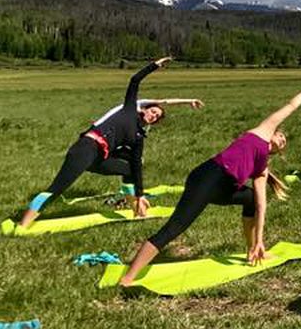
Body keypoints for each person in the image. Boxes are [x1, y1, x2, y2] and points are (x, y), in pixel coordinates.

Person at [119, 83, 301, 286]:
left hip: (222, 189)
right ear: (273, 132)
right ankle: (128, 278)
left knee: (251, 199)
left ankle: (251, 249)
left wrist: (260, 241)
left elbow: (262, 207)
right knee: (174, 228)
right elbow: (291, 106)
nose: (282, 140)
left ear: (278, 152)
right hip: (207, 178)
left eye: (284, 143)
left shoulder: (261, 170)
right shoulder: (261, 132)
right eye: (281, 135)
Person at [19, 57, 188, 230]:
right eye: (153, 111)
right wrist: (155, 65)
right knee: (58, 188)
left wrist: (140, 194)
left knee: (130, 169)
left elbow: (136, 165)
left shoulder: (139, 137)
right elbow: (134, 80)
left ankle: (137, 210)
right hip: (86, 148)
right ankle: (23, 225)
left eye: (156, 117)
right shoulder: (129, 109)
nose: (153, 115)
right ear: (145, 109)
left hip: (100, 158)